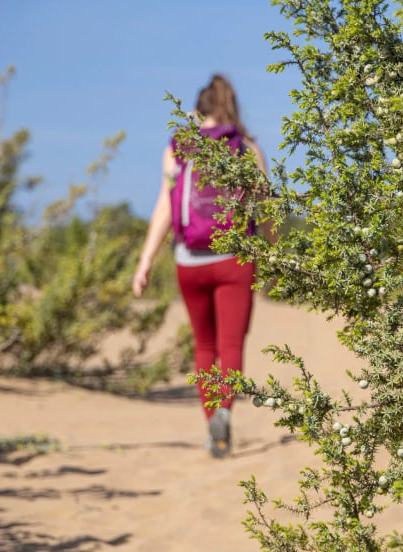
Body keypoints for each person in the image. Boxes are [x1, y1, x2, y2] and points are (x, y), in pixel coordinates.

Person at [132, 74, 268, 459]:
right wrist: (275, 255)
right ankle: (224, 410)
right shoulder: (247, 147)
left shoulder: (178, 149)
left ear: (197, 109)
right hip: (234, 258)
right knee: (231, 343)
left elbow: (163, 206)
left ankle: (212, 425)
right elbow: (266, 209)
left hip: (188, 261)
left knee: (204, 344)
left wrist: (144, 262)